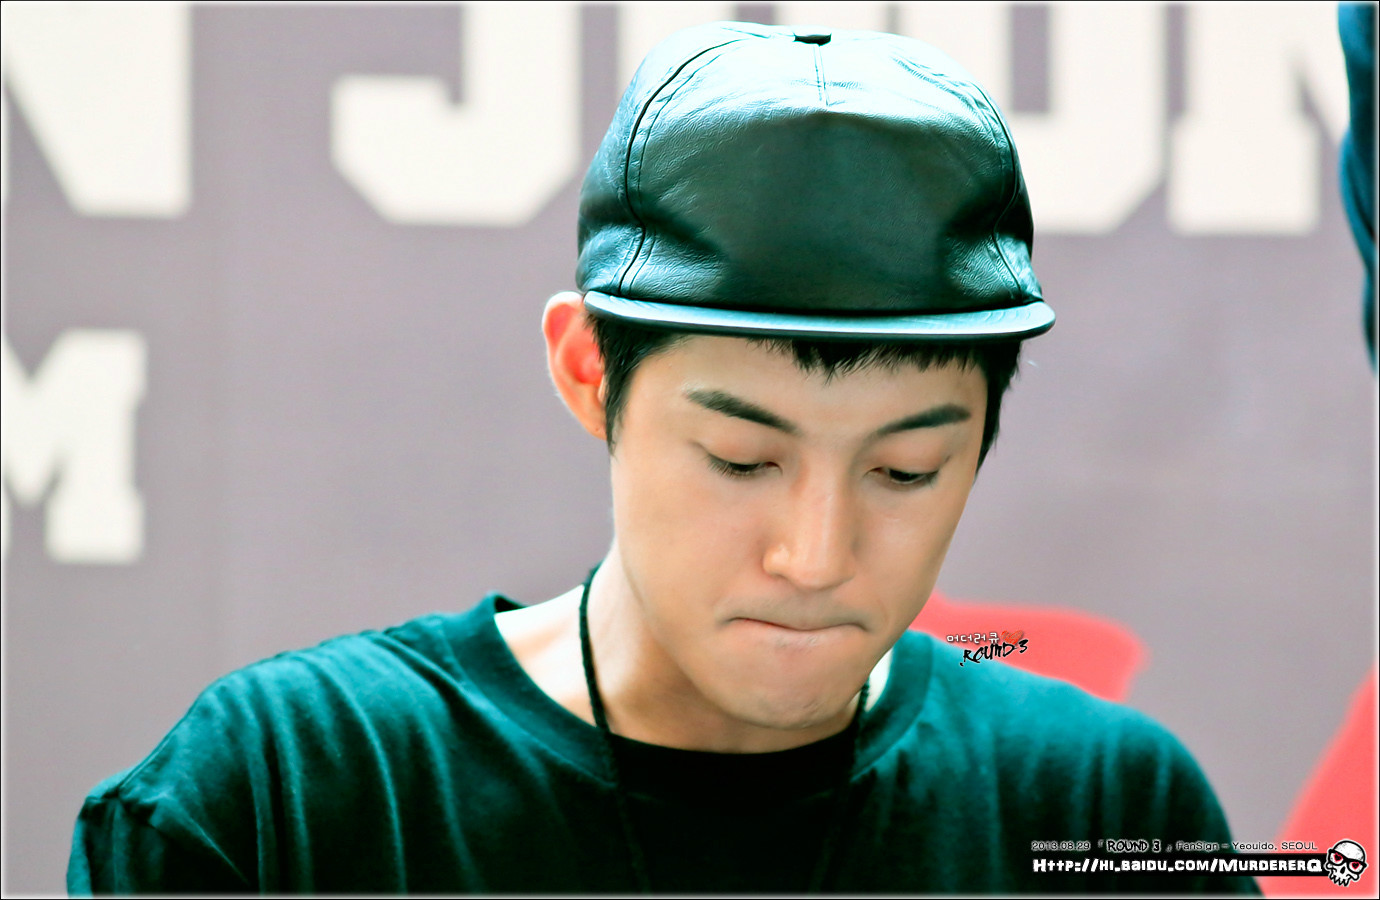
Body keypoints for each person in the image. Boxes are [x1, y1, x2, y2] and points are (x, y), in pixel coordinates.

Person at [68, 22, 1259, 894]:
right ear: (590, 371)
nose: (815, 555)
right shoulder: (292, 796)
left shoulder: (1103, 818)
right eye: (741, 458)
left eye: (904, 472)